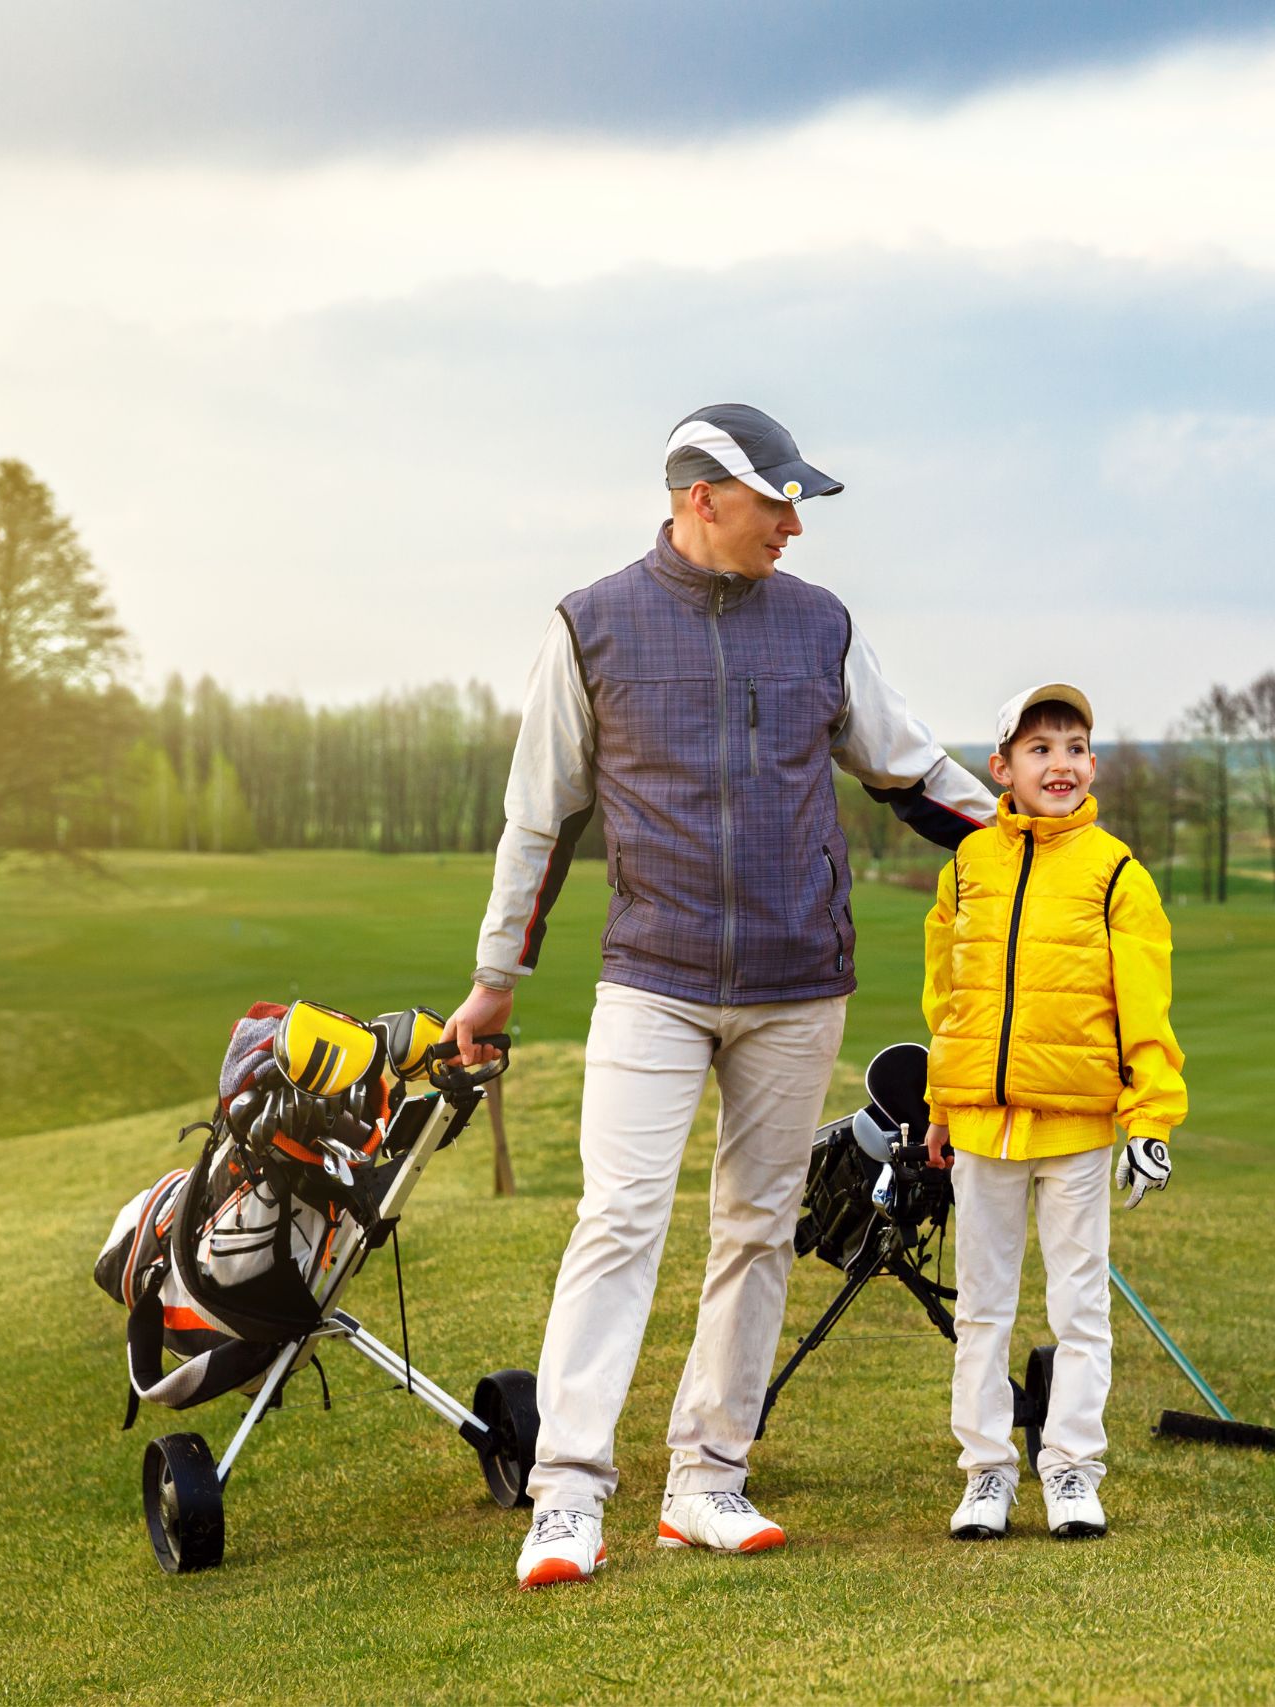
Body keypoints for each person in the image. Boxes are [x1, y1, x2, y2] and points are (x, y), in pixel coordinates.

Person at [443, 404, 997, 1590]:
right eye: (774, 503)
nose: (794, 525)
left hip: (800, 984)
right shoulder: (588, 625)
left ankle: (706, 1480)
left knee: (754, 1228)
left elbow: (907, 766)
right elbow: (540, 819)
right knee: (619, 1221)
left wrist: (1031, 838)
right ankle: (568, 1496)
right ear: (702, 497)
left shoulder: (820, 624)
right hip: (656, 978)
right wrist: (497, 983)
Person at [919, 683, 1186, 1541]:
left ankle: (1071, 1470)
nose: (1060, 762)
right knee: (982, 1310)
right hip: (982, 1130)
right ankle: (985, 1474)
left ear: (1093, 765)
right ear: (1001, 768)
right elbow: (947, 1003)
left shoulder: (1117, 872)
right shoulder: (964, 869)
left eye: (1074, 746)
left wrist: (1151, 1120)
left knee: (1080, 1310)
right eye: (1040, 748)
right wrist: (938, 1108)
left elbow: (1147, 1009)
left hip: (1075, 1129)